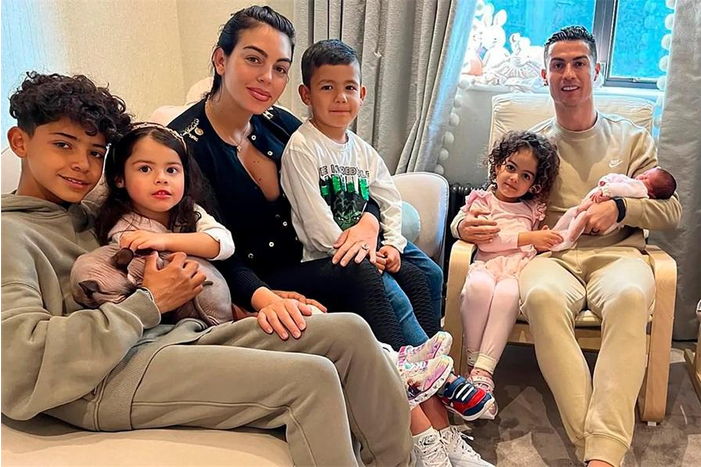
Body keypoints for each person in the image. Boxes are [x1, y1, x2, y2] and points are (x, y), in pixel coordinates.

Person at [1, 71, 415, 466]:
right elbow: (19, 361)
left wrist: (252, 303)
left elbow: (198, 254)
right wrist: (148, 303)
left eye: (95, 152)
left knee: (349, 333)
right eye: (63, 145)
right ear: (20, 141)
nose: (81, 164)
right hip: (99, 378)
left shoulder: (91, 212)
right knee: (313, 379)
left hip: (171, 337)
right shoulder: (10, 233)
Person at [453, 26, 681, 467]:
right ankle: (597, 447)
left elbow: (671, 210)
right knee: (540, 297)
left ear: (597, 70)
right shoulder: (534, 146)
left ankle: (600, 451)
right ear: (545, 75)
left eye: (579, 63)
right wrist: (463, 225)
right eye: (558, 65)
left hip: (620, 256)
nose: (569, 74)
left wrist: (620, 208)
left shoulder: (632, 138)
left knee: (631, 298)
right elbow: (491, 200)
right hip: (551, 257)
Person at [279, 38, 494, 467]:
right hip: (327, 255)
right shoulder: (302, 148)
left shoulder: (362, 151)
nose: (340, 98)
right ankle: (441, 379)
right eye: (326, 88)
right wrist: (363, 251)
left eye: (349, 88)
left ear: (362, 93)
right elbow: (315, 223)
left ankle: (433, 374)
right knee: (389, 289)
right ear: (305, 94)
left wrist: (392, 246)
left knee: (428, 273)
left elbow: (390, 203)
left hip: (369, 246)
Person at [167, 5, 408, 350]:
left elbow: (348, 173)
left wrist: (369, 222)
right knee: (361, 270)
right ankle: (409, 376)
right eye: (254, 59)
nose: (268, 77)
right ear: (221, 60)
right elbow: (211, 245)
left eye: (280, 68)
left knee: (410, 265)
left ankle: (433, 370)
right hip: (259, 279)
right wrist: (262, 296)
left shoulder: (279, 123)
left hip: (313, 258)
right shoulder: (182, 147)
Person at [69, 123, 236, 325]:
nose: (161, 179)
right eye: (145, 169)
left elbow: (224, 244)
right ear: (120, 178)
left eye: (172, 170)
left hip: (215, 301)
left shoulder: (191, 211)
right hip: (172, 320)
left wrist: (163, 240)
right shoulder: (124, 229)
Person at [454, 131, 560, 419]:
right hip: (486, 265)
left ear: (534, 183)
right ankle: (474, 363)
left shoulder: (532, 208)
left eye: (525, 176)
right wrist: (530, 238)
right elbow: (488, 241)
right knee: (478, 287)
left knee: (508, 294)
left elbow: (540, 242)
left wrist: (542, 239)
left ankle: (483, 372)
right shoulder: (482, 201)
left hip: (516, 271)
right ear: (498, 165)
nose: (514, 179)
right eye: (511, 168)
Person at [551, 167, 677, 250]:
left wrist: (618, 207)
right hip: (554, 259)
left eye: (646, 178)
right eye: (644, 174)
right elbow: (616, 178)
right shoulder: (631, 181)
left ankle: (568, 240)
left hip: (615, 251)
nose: (641, 176)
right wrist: (605, 180)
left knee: (581, 218)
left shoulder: (640, 188)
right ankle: (555, 233)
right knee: (573, 213)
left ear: (652, 194)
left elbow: (670, 210)